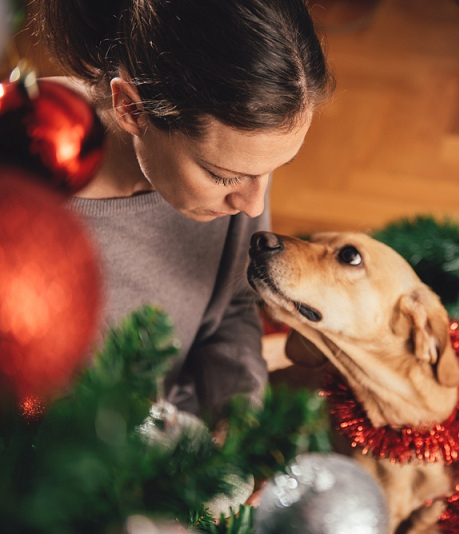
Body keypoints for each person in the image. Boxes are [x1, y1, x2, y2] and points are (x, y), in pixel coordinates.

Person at [33, 0, 334, 430]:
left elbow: (232, 306)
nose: (253, 204)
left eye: (272, 170)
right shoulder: (21, 190)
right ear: (131, 109)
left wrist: (238, 420)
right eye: (223, 175)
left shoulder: (238, 170)